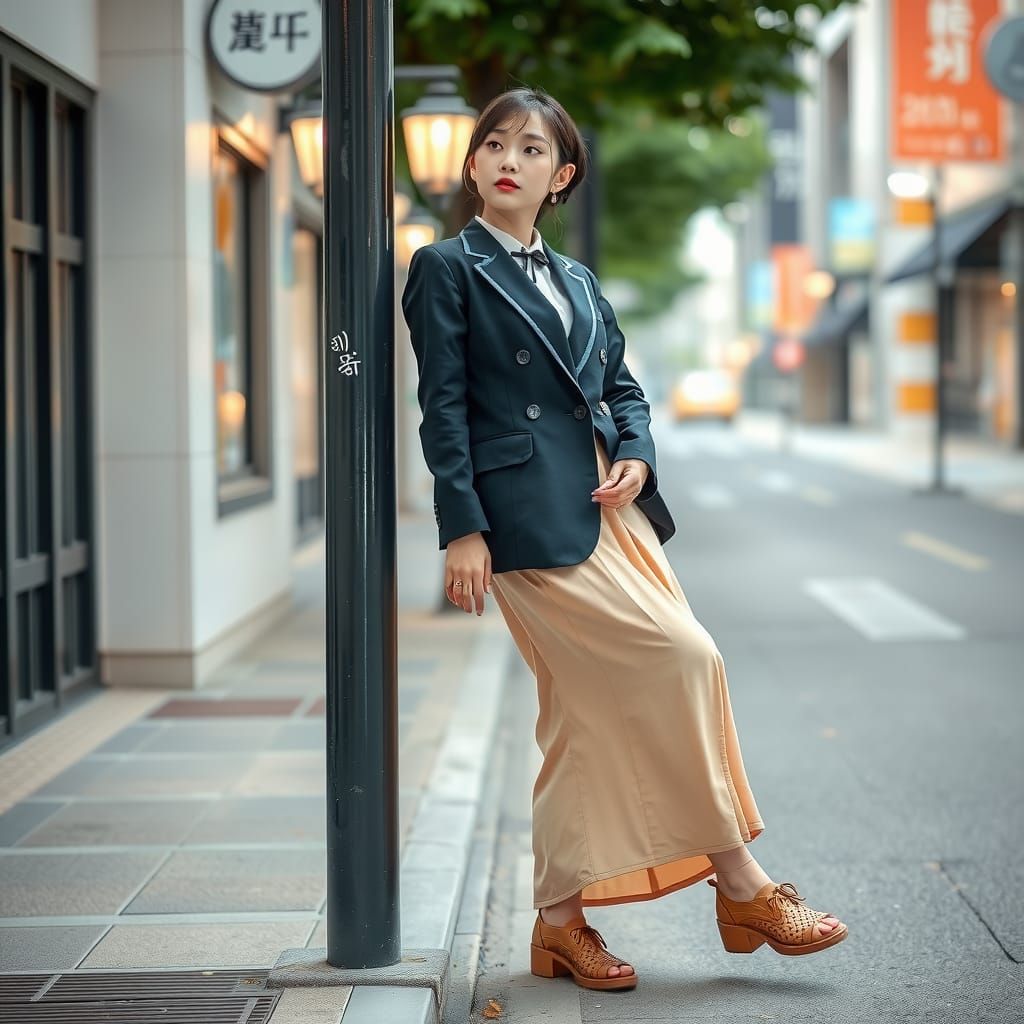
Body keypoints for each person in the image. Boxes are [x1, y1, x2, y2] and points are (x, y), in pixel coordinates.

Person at [401, 86, 847, 992]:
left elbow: (624, 390)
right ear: (473, 163)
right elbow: (441, 407)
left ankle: (559, 925)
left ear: (561, 176)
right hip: (527, 519)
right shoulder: (444, 267)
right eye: (495, 144)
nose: (508, 160)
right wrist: (463, 528)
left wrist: (638, 456)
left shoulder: (576, 280)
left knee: (584, 720)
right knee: (685, 657)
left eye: (531, 149)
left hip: (613, 510)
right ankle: (743, 883)